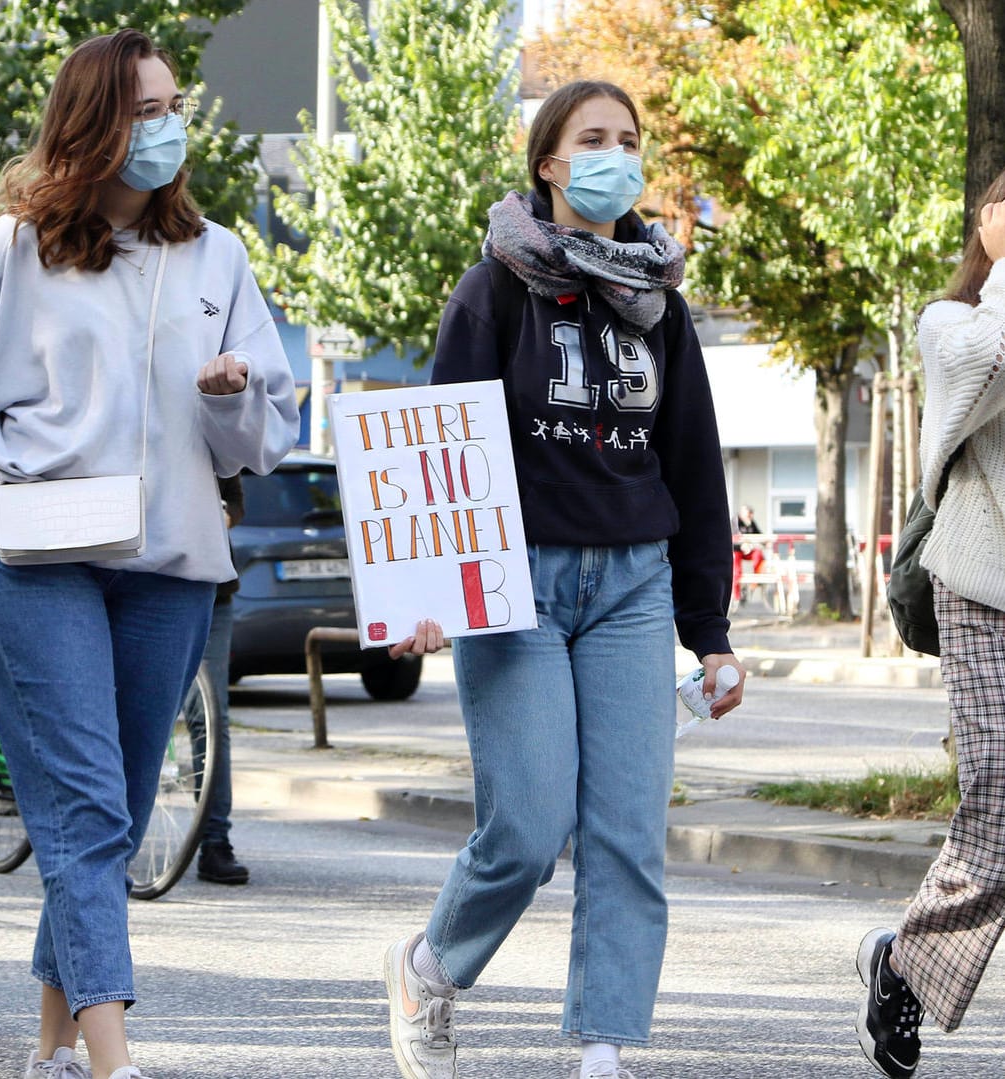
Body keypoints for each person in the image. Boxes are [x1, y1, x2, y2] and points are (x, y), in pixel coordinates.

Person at [0, 28, 298, 1079]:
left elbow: (267, 435)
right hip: (37, 564)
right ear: (90, 125)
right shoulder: (11, 252)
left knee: (106, 818)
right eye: (144, 112)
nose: (167, 130)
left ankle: (50, 1048)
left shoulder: (218, 257)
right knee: (78, 808)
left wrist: (234, 396)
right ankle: (116, 1058)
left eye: (174, 109)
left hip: (170, 570)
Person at [379, 80, 745, 1079]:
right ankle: (428, 966)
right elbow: (441, 449)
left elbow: (691, 458)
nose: (614, 155)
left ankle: (604, 1045)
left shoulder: (658, 302)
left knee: (627, 830)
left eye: (627, 140)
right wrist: (425, 592)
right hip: (517, 583)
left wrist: (706, 628)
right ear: (548, 162)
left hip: (630, 580)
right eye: (592, 139)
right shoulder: (492, 287)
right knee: (530, 825)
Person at [853, 174, 1005, 1079]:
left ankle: (902, 960)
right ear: (989, 224)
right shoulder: (950, 325)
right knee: (997, 794)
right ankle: (908, 963)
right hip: (979, 585)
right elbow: (985, 371)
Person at [195, 474, 247, 885]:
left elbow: (235, 502)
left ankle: (214, 841)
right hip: (137, 580)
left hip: (211, 588)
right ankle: (106, 839)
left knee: (210, 720)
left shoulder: (207, 409)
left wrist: (220, 515)